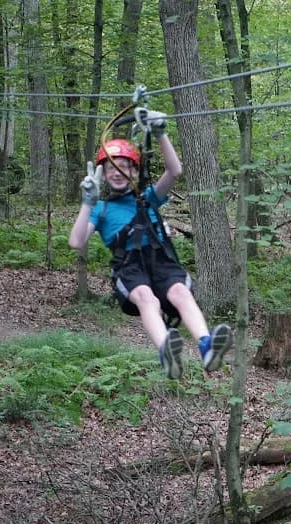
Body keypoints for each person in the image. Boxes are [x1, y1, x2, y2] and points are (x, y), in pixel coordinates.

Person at [68, 109, 232, 379]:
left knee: (180, 292)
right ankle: (166, 351)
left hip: (161, 261)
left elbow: (174, 170)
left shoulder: (147, 197)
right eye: (110, 169)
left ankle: (206, 346)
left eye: (124, 167)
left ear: (135, 170)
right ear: (104, 174)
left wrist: (160, 133)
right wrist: (87, 202)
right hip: (129, 267)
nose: (117, 173)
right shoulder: (101, 208)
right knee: (146, 297)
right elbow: (76, 241)